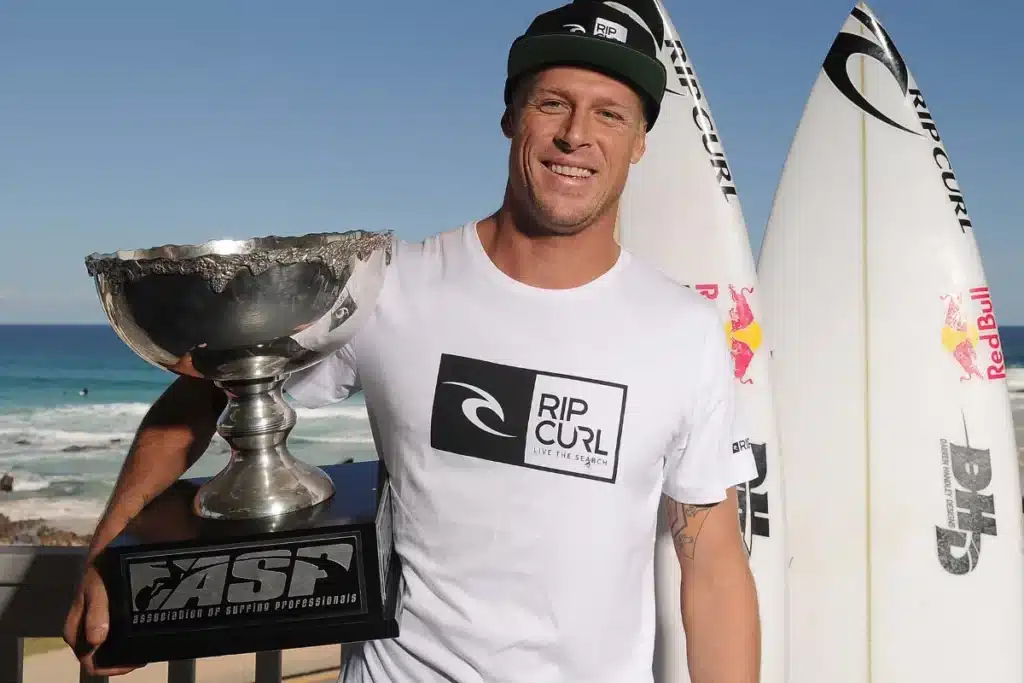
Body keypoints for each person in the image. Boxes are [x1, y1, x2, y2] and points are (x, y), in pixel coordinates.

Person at [63, 1, 761, 681]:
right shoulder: (387, 286)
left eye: (609, 113)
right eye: (553, 103)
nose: (577, 135)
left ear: (639, 142)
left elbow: (712, 561)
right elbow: (207, 389)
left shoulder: (685, 333)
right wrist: (108, 560)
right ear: (512, 116)